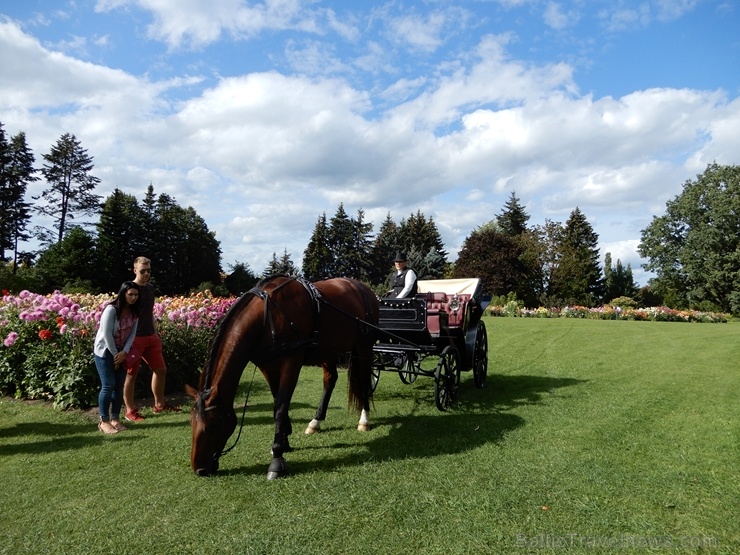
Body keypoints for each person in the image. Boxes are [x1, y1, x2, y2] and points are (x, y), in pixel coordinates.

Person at [123, 257, 180, 421]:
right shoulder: (129, 289)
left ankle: (159, 405)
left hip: (150, 336)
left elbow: (149, 312)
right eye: (142, 271)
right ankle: (130, 411)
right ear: (135, 270)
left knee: (161, 369)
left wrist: (154, 332)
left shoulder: (149, 289)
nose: (146, 274)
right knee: (131, 374)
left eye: (148, 270)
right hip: (134, 339)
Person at [94, 281, 141, 434]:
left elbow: (132, 333)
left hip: (122, 351)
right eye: (130, 294)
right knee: (108, 384)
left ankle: (115, 419)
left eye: (136, 295)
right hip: (106, 351)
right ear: (123, 294)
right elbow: (107, 334)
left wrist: (125, 352)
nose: (133, 298)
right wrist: (116, 355)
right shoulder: (111, 310)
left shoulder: (135, 312)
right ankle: (104, 420)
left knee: (119, 385)